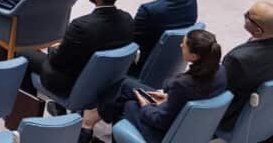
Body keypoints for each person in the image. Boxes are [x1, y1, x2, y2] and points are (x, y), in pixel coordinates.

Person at [86, 29, 225, 142]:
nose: (181, 45)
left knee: (127, 104)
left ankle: (88, 126)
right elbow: (194, 96)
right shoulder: (220, 72)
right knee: (125, 84)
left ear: (194, 56)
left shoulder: (183, 85)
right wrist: (169, 97)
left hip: (165, 131)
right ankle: (93, 119)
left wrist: (145, 106)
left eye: (184, 44)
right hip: (187, 121)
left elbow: (160, 121)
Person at [25, 0, 134, 97]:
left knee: (24, 53)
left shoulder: (81, 26)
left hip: (71, 82)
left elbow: (57, 61)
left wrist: (52, 49)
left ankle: (29, 106)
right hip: (102, 80)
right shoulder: (128, 20)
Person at [218, 2, 273, 131]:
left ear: (258, 30)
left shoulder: (238, 59)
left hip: (235, 116)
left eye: (247, 16)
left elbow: (220, 91)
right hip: (267, 110)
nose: (244, 16)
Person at [131, 0, 198, 75]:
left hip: (145, 68)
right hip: (175, 65)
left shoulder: (149, 10)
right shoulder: (191, 1)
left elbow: (132, 41)